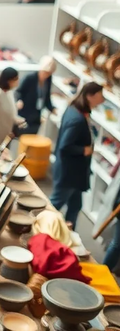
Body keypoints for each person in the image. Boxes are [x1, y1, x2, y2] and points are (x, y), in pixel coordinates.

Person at [51, 82, 105, 227]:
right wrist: (84, 150)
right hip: (69, 173)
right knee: (54, 205)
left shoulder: (76, 110)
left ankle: (69, 236)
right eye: (100, 96)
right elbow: (65, 146)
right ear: (90, 96)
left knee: (75, 206)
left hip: (74, 174)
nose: (103, 100)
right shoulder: (77, 118)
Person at [16, 56, 57, 135]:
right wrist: (19, 100)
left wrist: (52, 109)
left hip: (37, 115)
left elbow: (46, 96)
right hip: (25, 113)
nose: (47, 75)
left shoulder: (48, 80)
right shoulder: (29, 78)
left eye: (49, 73)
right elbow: (18, 92)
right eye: (45, 72)